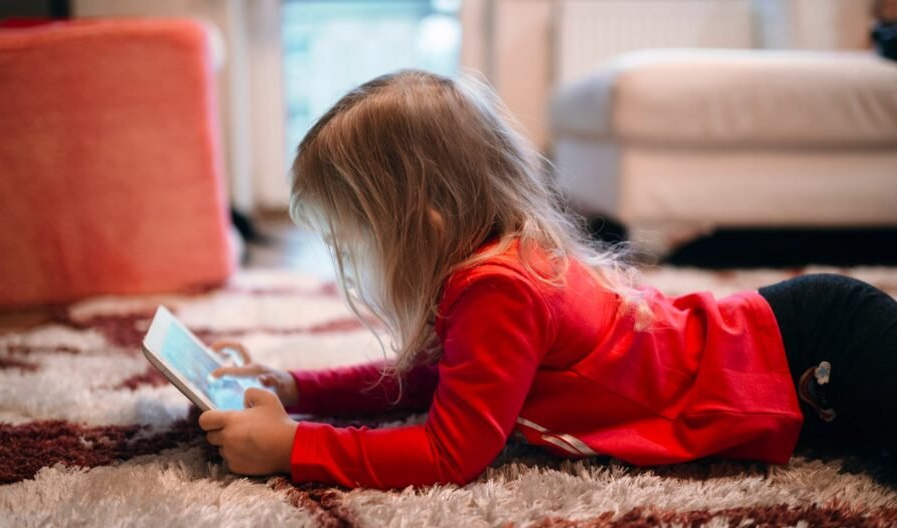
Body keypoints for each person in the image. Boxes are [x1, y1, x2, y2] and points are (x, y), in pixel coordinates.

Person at [198, 70, 897, 489]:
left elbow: (451, 449)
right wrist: (297, 390)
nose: (347, 264)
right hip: (798, 342)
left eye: (351, 242)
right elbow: (438, 381)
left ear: (427, 228)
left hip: (814, 344)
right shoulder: (485, 268)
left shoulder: (499, 290)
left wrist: (299, 448)